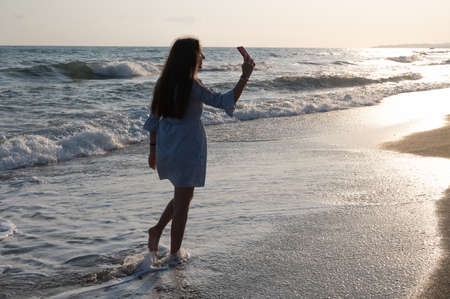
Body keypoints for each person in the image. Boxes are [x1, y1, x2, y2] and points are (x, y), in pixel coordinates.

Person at [143, 37, 255, 261]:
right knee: (183, 203)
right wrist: (245, 76)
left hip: (168, 147)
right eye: (200, 53)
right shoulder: (192, 85)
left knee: (184, 195)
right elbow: (224, 101)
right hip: (187, 148)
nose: (203, 57)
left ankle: (157, 230)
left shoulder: (163, 83)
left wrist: (153, 151)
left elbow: (153, 120)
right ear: (191, 57)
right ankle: (174, 256)